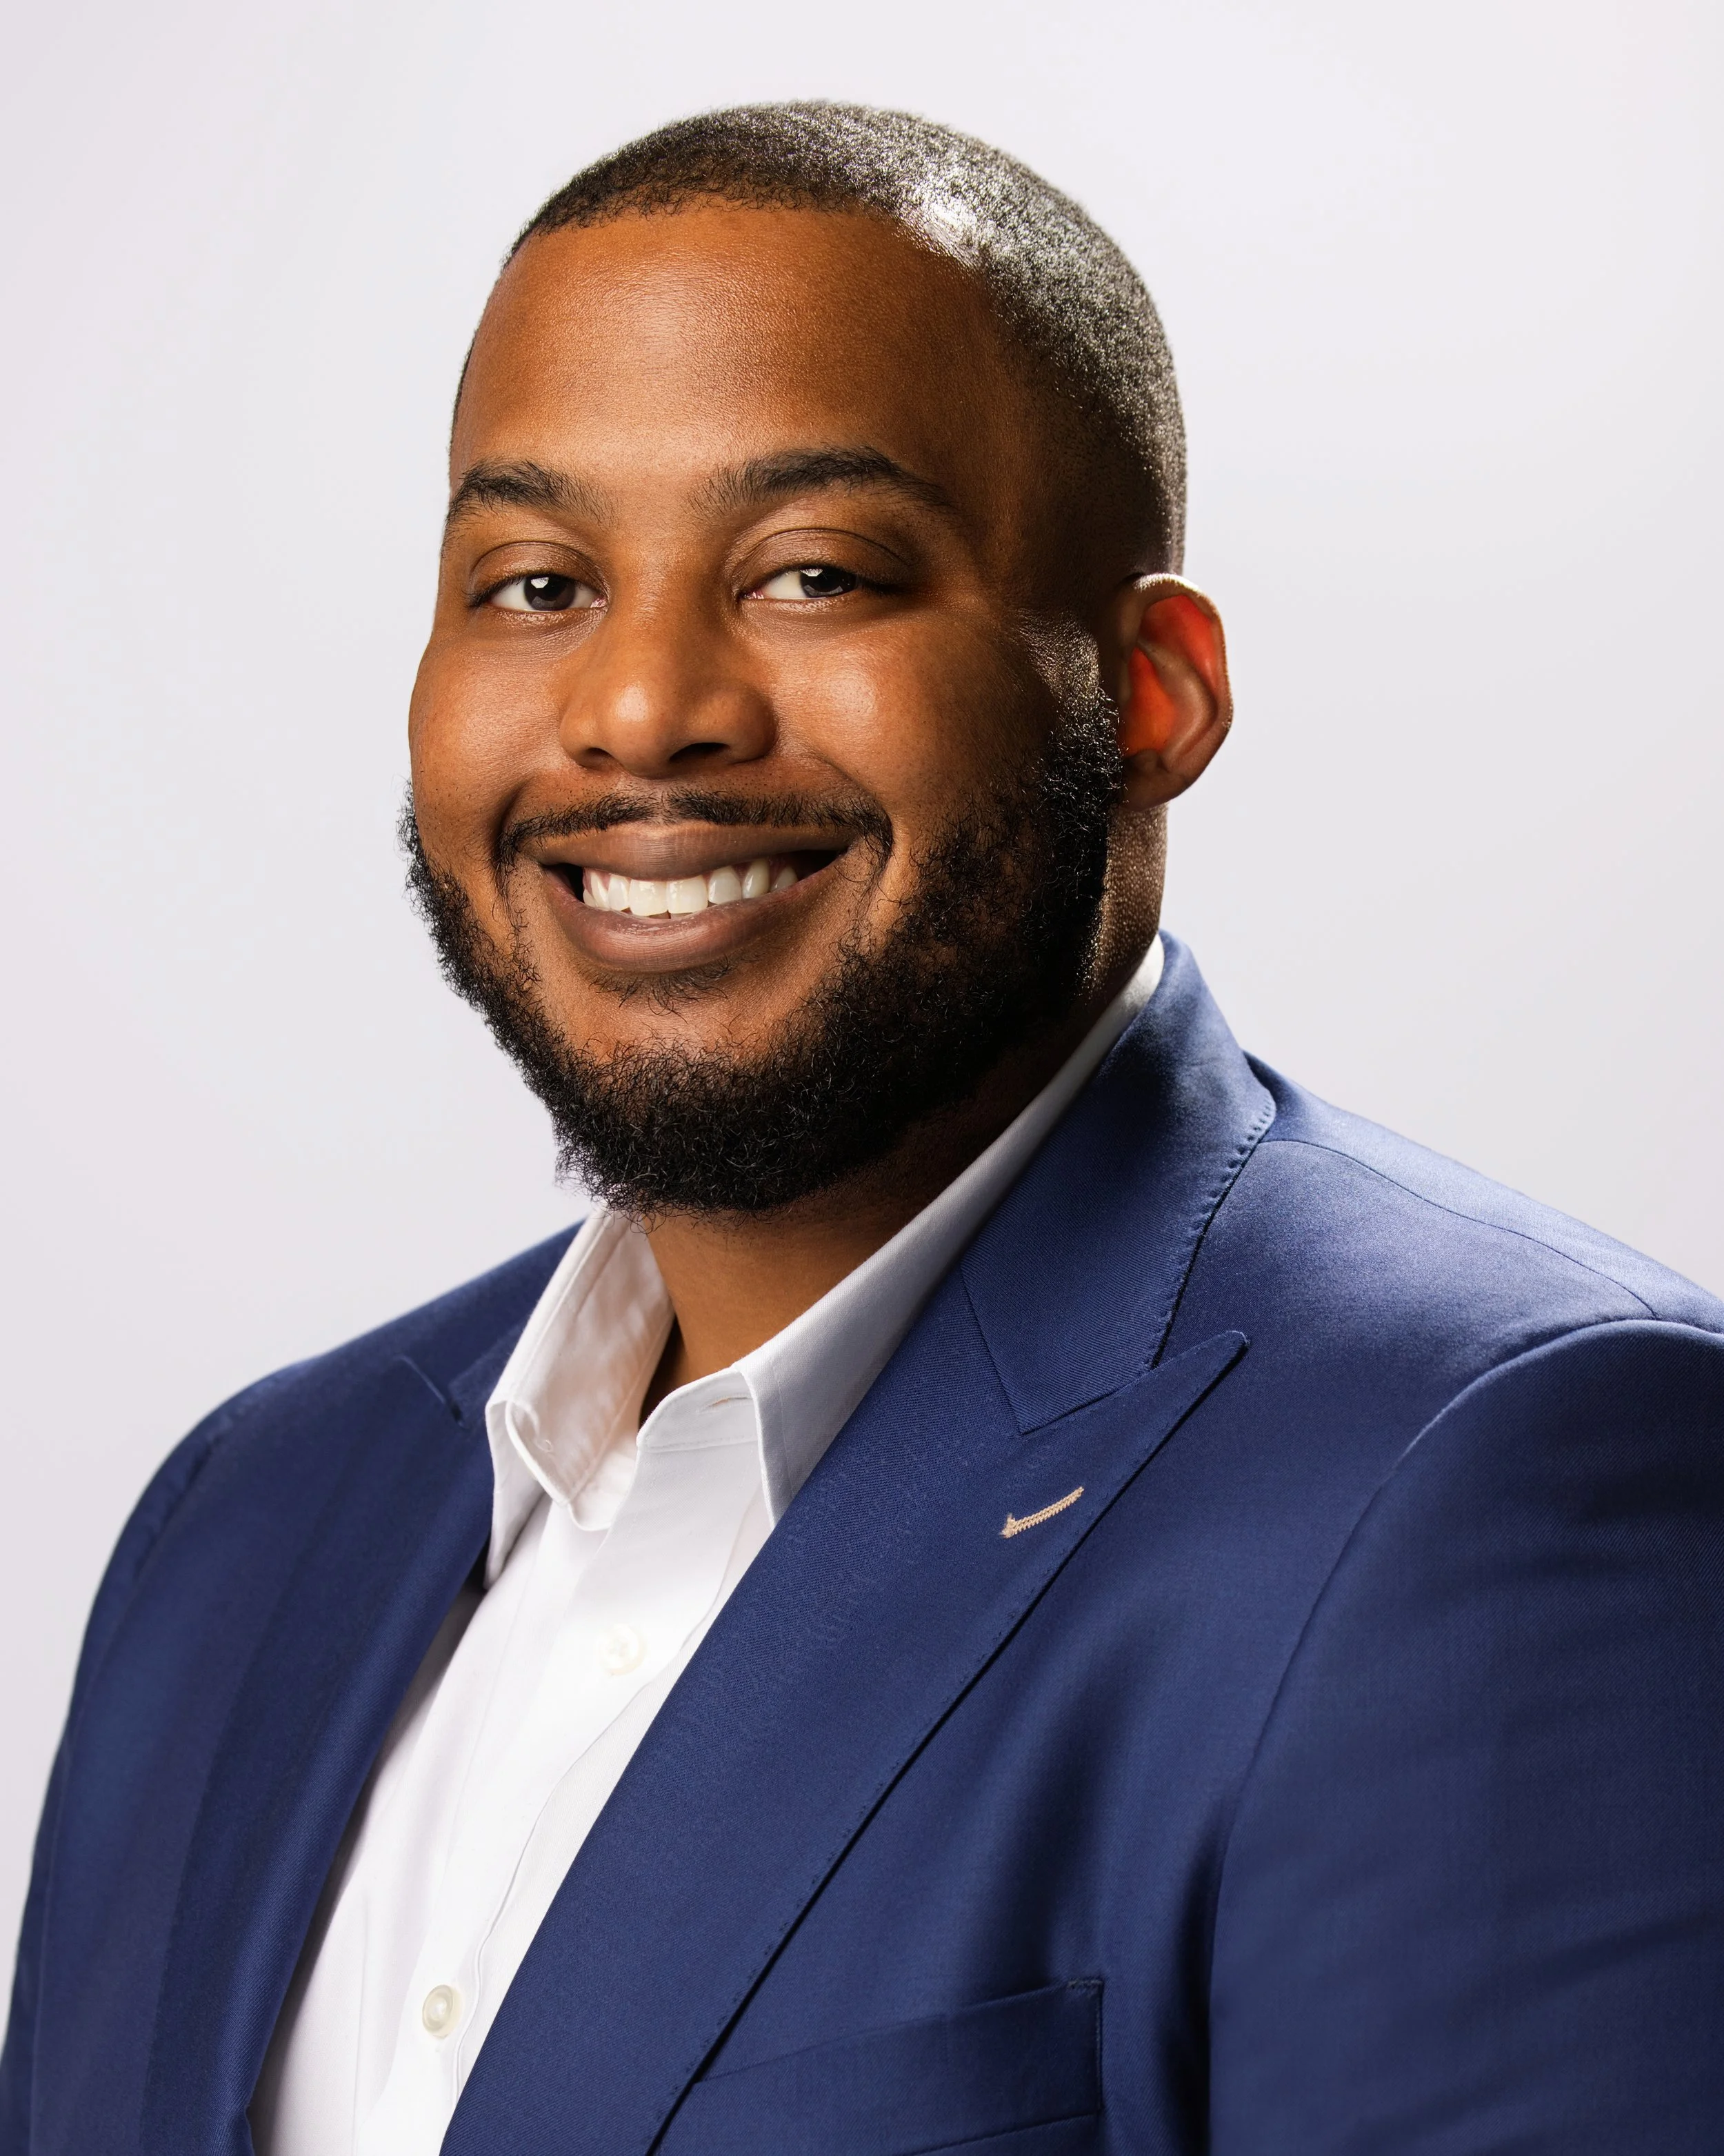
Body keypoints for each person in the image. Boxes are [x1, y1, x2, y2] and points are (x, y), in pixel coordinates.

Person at [4, 100, 1722, 2156]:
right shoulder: (249, 1521)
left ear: (1150, 691)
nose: (640, 707)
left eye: (815, 572)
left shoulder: (1499, 1481)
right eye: (535, 580)